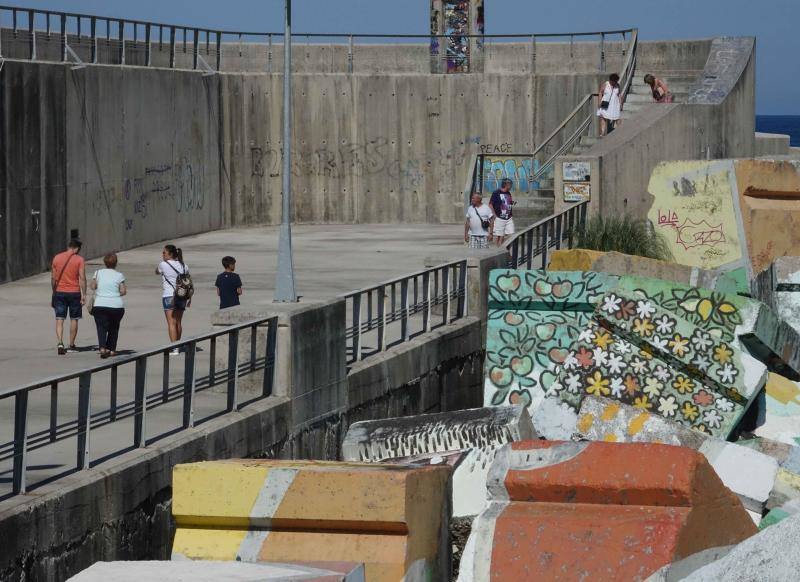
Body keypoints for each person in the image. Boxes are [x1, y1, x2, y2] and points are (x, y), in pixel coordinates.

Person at [51, 238, 86, 355]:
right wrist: (84, 294)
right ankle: (71, 345)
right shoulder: (79, 260)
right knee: (74, 319)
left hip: (59, 292)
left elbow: (53, 278)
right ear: (76, 248)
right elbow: (82, 278)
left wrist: (54, 291)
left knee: (59, 319)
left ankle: (60, 343)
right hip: (74, 292)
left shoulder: (57, 257)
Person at [156, 244, 190, 355]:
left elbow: (157, 271)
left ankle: (174, 348)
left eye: (164, 252)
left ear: (170, 254)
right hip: (182, 295)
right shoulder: (184, 265)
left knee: (171, 322)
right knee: (178, 322)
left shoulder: (163, 264)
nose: (162, 254)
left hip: (169, 296)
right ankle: (178, 345)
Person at [91, 253, 126, 358]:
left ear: (104, 262)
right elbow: (123, 291)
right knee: (114, 327)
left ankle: (102, 348)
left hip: (100, 304)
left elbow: (93, 286)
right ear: (116, 263)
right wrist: (114, 294)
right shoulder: (119, 275)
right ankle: (111, 349)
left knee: (101, 327)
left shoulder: (97, 273)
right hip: (116, 305)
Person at [489, 178, 516, 246]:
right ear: (505, 184)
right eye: (510, 184)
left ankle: (504, 249)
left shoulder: (508, 193)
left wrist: (511, 202)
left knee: (511, 235)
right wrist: (494, 215)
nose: (511, 186)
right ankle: (499, 251)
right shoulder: (496, 192)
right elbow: (490, 204)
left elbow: (506, 202)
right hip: (499, 217)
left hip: (508, 217)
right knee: (499, 237)